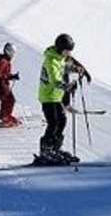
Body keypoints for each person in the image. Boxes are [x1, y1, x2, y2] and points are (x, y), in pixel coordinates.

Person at [36, 33, 91, 163]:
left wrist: (76, 69)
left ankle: (55, 148)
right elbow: (55, 80)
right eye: (67, 51)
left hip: (55, 97)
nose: (68, 54)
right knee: (53, 122)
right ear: (61, 49)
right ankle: (46, 150)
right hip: (48, 96)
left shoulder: (59, 57)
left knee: (62, 121)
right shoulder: (51, 60)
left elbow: (64, 67)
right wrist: (67, 87)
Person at [0, 42, 20, 126]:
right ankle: (3, 118)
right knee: (8, 100)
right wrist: (9, 77)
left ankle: (6, 116)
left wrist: (12, 76)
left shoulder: (5, 60)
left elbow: (4, 74)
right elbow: (0, 74)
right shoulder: (3, 61)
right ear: (8, 51)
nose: (13, 55)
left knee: (8, 100)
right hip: (0, 84)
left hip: (1, 83)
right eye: (12, 53)